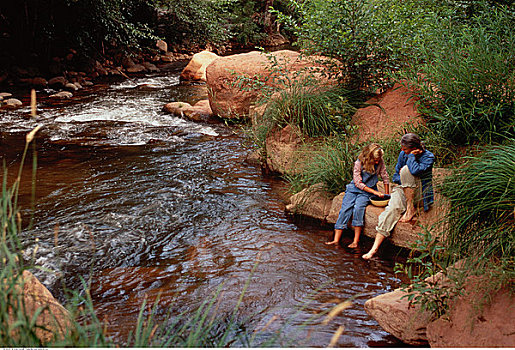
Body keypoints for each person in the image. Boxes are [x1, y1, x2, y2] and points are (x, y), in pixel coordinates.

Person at [362, 133, 435, 260]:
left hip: (420, 193)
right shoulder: (403, 154)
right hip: (403, 189)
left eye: (405, 149)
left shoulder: (428, 157)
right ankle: (373, 249)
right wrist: (404, 179)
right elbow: (396, 176)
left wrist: (411, 157)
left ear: (414, 147)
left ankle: (410, 208)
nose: (402, 151)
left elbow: (416, 171)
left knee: (406, 170)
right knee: (391, 210)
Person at [326, 143, 390, 248]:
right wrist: (375, 192)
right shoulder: (359, 163)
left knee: (358, 208)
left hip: (367, 192)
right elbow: (358, 183)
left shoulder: (380, 162)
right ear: (369, 157)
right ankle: (336, 240)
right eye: (375, 160)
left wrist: (386, 195)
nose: (377, 162)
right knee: (345, 209)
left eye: (379, 159)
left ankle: (355, 241)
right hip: (354, 189)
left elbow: (385, 177)